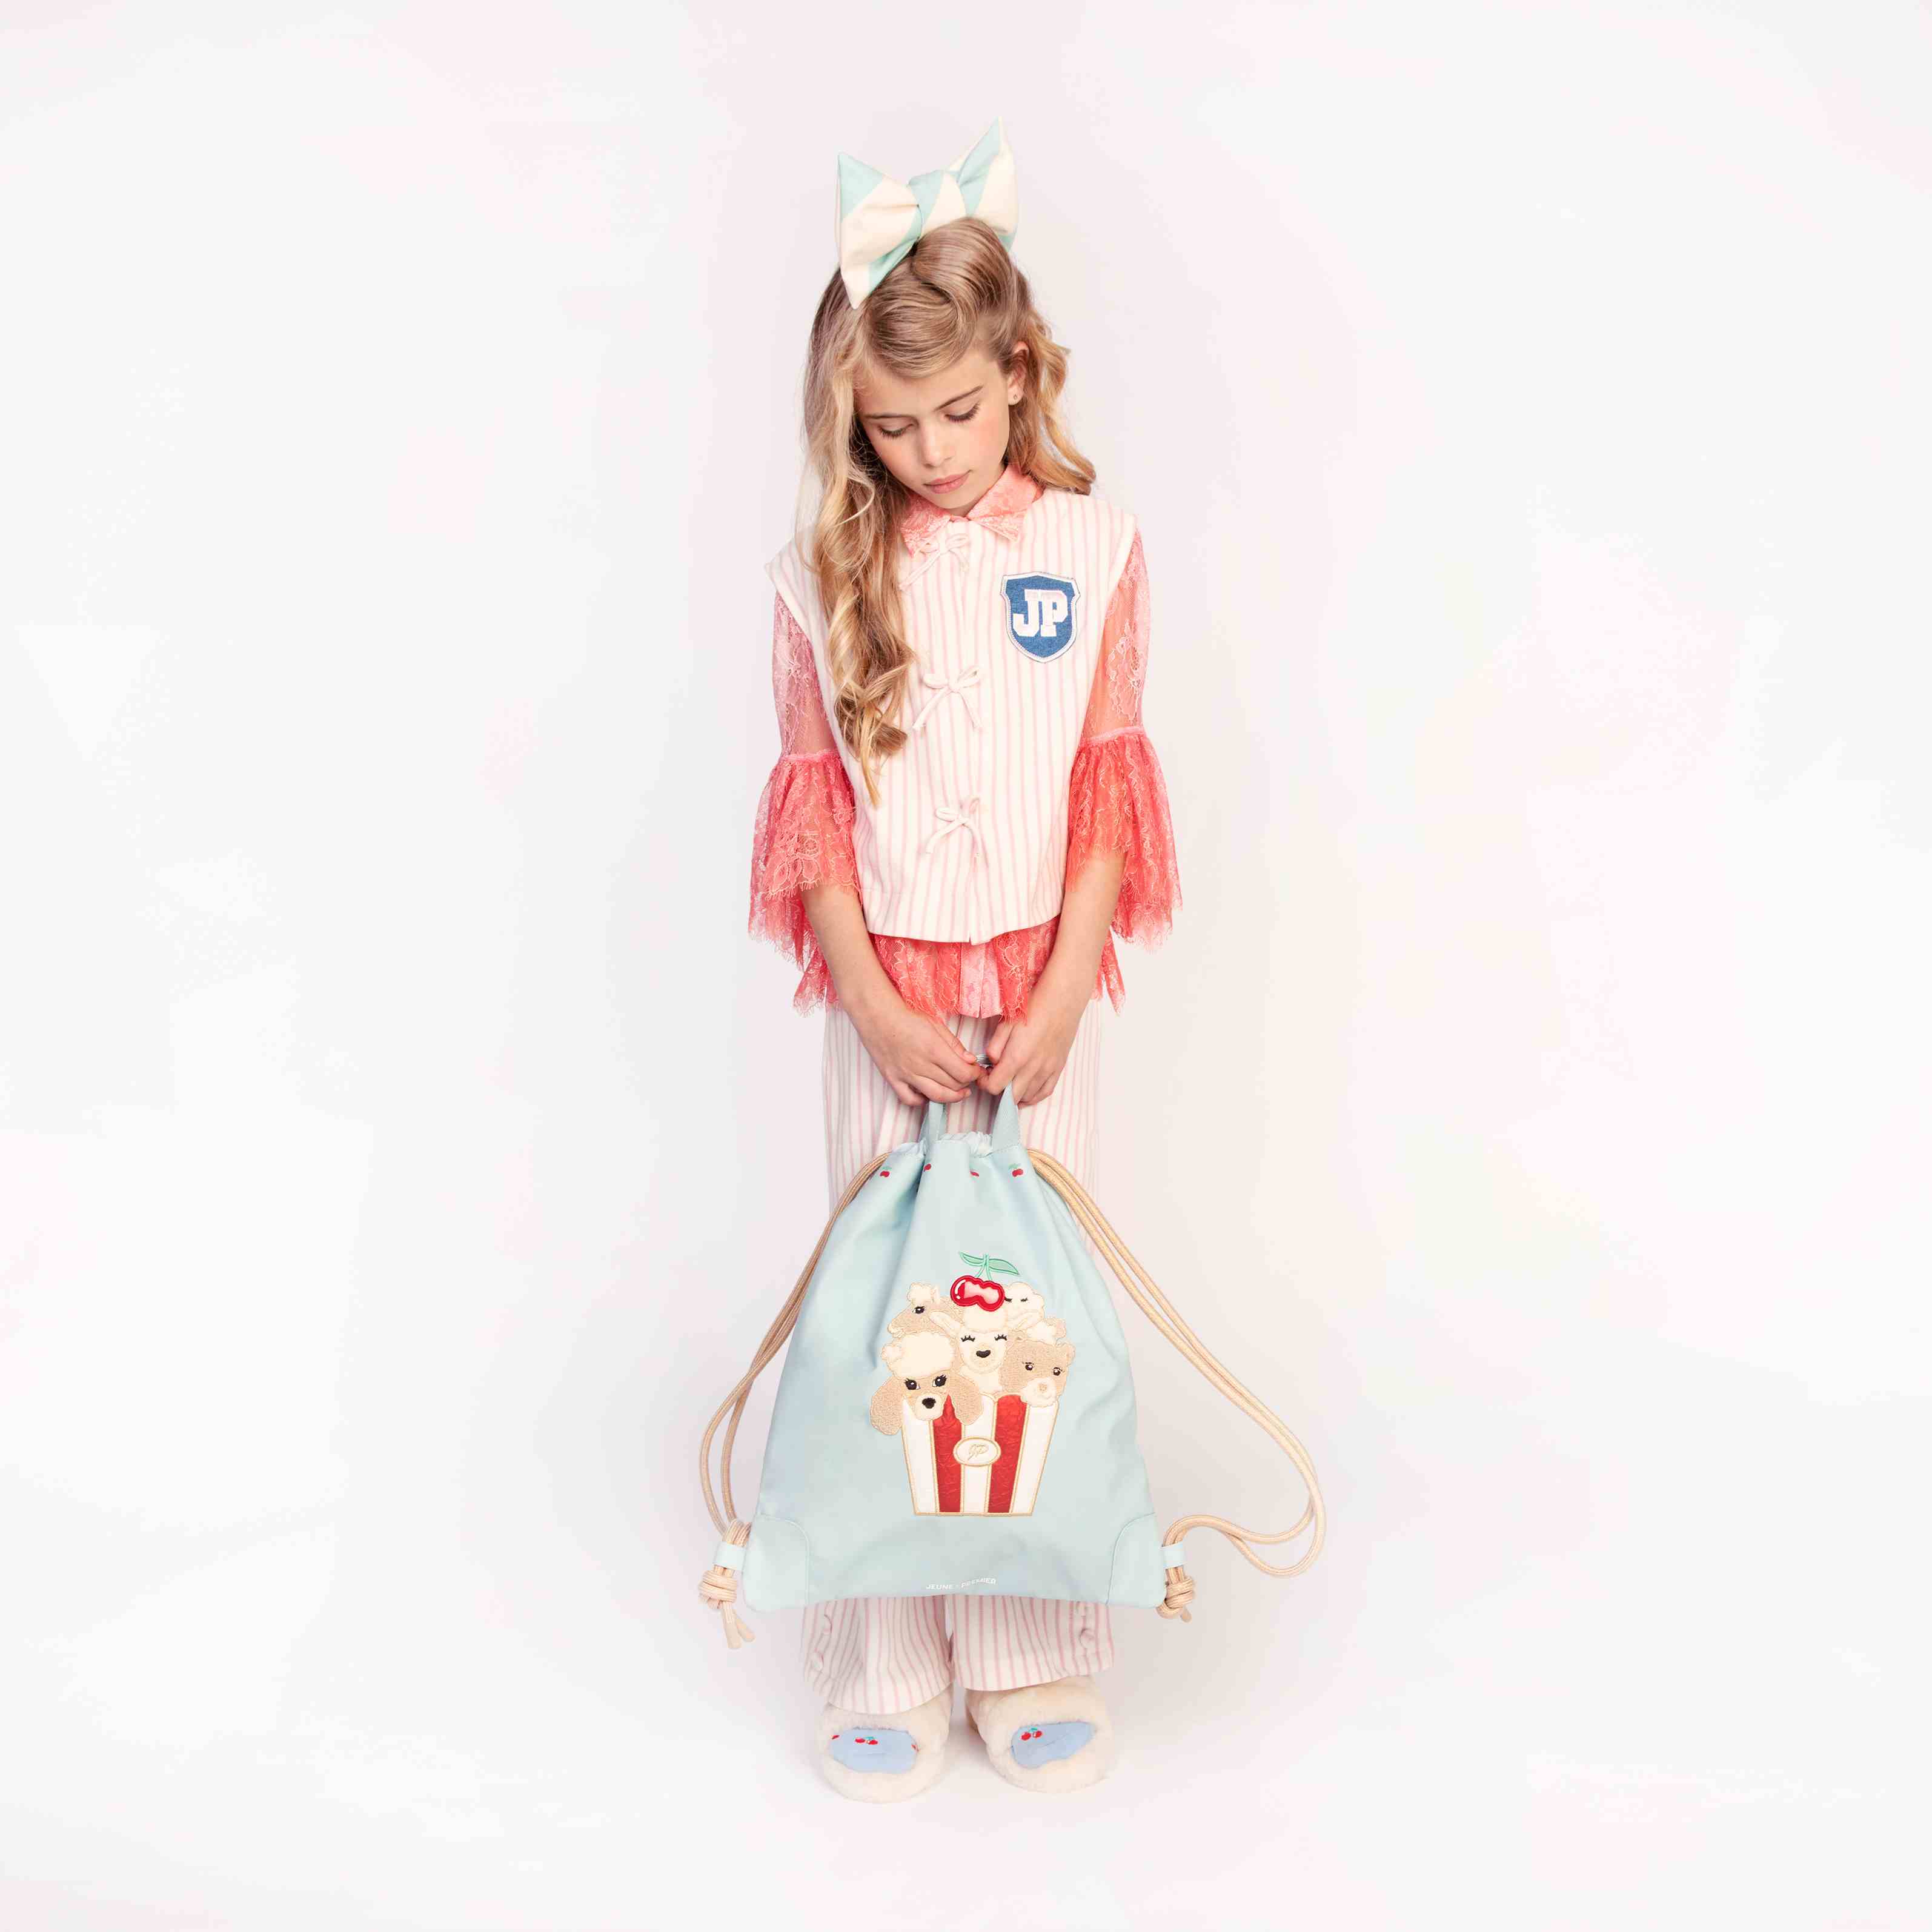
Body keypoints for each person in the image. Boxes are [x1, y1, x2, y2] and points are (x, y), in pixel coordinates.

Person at [746, 119, 1182, 1801]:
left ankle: (1030, 1642)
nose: (930, 450)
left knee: (1022, 1324)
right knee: (882, 1322)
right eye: (891, 423)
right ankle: (879, 1649)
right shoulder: (818, 576)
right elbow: (812, 811)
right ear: (846, 418)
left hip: (1044, 1001)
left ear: (1020, 373)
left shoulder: (1095, 546)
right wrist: (871, 1002)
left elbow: (1105, 791)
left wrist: (1063, 992)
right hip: (891, 1006)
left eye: (961, 412)